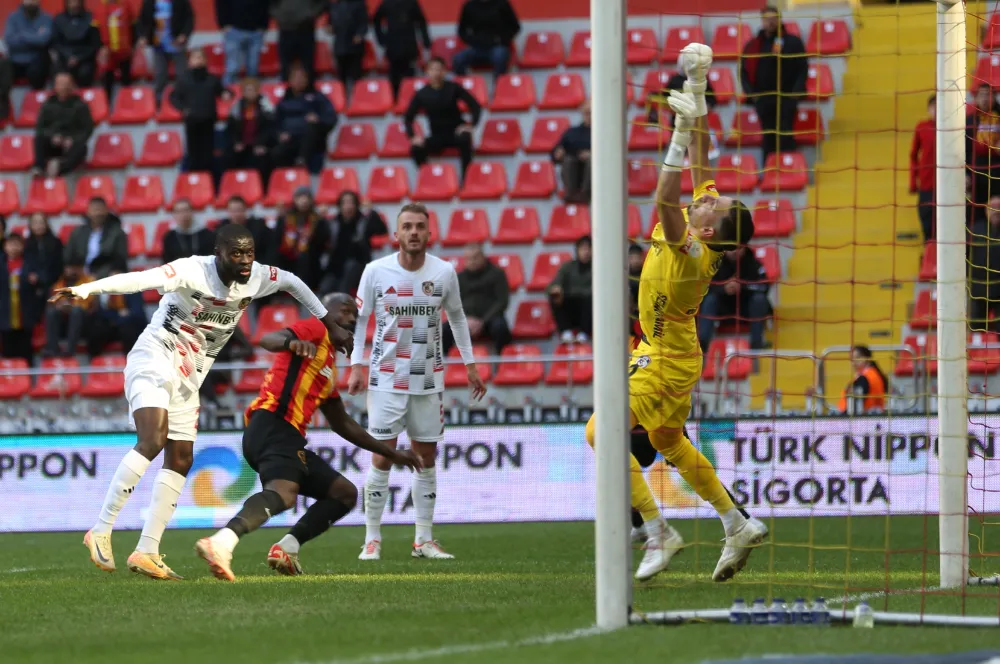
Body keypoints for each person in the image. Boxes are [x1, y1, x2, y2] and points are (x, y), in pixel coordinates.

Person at [61, 224, 353, 580]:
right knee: (152, 440)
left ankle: (147, 551)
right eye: (236, 254)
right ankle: (101, 529)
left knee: (181, 458)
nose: (245, 261)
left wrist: (329, 324)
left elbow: (293, 282)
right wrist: (86, 289)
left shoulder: (258, 276)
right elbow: (140, 279)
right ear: (219, 252)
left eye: (249, 253)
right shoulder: (191, 270)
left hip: (190, 376)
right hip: (156, 356)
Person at [585, 43, 767, 583]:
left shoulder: (690, 247)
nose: (708, 196)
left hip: (665, 356)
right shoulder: (704, 223)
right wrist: (696, 89)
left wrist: (676, 134)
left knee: (601, 433)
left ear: (708, 231)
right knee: (666, 441)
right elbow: (703, 162)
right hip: (672, 351)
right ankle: (736, 522)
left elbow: (665, 195)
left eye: (714, 204)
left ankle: (658, 531)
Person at [195, 294, 423, 581]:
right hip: (274, 424)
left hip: (285, 435)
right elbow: (269, 339)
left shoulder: (327, 367)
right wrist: (291, 342)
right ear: (324, 312)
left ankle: (287, 548)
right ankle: (221, 542)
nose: (352, 319)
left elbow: (342, 423)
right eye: (345, 311)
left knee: (344, 493)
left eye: (356, 315)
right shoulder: (315, 330)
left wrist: (392, 453)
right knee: (283, 494)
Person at [349, 202, 487, 561]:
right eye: (407, 226)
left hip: (428, 382)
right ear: (396, 234)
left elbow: (457, 318)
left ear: (429, 233)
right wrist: (356, 364)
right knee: (382, 456)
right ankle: (372, 539)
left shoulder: (444, 273)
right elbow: (361, 321)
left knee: (426, 457)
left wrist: (470, 364)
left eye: (419, 227)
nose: (413, 232)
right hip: (385, 380)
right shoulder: (376, 271)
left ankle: (423, 540)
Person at [740, 6, 808, 164]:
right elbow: (743, 72)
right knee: (768, 137)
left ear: (779, 19)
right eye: (766, 19)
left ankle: (789, 169)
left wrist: (795, 94)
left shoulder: (793, 42)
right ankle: (769, 172)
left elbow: (802, 68)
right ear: (762, 21)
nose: (770, 23)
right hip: (764, 101)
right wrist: (753, 96)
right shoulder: (753, 45)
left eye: (773, 19)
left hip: (786, 99)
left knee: (786, 135)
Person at [405, 57, 481, 179]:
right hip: (437, 135)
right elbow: (408, 118)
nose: (436, 73)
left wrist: (470, 125)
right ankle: (429, 178)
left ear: (444, 71)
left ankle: (467, 179)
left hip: (456, 132)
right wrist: (413, 136)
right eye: (432, 70)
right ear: (427, 72)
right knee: (416, 149)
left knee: (465, 140)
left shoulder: (453, 88)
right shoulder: (422, 94)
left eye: (439, 69)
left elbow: (475, 106)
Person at [697, 246, 772, 352]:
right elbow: (704, 289)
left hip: (746, 311)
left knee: (759, 300)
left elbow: (764, 286)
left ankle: (757, 345)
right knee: (710, 300)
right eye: (731, 247)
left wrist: (742, 286)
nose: (735, 251)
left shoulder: (754, 263)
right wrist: (724, 288)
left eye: (738, 247)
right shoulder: (714, 264)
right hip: (723, 310)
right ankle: (702, 345)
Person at [443, 242, 511, 356]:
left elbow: (502, 301)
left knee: (501, 328)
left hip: (490, 320)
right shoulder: (459, 278)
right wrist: (465, 319)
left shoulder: (497, 274)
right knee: (443, 330)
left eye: (475, 257)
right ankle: (448, 365)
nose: (472, 261)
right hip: (465, 320)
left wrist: (483, 321)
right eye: (468, 258)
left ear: (483, 257)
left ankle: (503, 363)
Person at [170, 48, 226, 174]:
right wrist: (183, 109)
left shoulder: (212, 79)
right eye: (195, 58)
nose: (198, 60)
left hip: (209, 119)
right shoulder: (183, 79)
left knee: (208, 154)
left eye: (201, 58)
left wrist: (226, 94)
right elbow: (174, 97)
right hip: (192, 120)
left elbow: (221, 92)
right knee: (193, 153)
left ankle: (207, 181)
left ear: (206, 61)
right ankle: (195, 181)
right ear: (189, 61)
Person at [274, 64, 338, 174]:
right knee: (275, 153)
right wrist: (280, 133)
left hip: (312, 143)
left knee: (311, 127)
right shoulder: (284, 101)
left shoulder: (318, 97)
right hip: (290, 140)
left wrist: (318, 119)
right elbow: (275, 122)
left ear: (307, 79)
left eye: (301, 77)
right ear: (289, 80)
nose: (298, 81)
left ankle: (302, 160)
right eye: (295, 77)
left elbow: (331, 118)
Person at [322, 191, 388, 294]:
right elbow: (319, 238)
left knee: (349, 271)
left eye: (351, 202)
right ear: (340, 206)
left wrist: (371, 211)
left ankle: (342, 305)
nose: (348, 206)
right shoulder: (334, 222)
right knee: (325, 288)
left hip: (358, 266)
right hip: (336, 267)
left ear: (356, 205)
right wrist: (321, 218)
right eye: (344, 203)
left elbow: (382, 229)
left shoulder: (364, 221)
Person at [33, 72, 94, 178]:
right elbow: (40, 128)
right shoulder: (48, 104)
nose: (63, 87)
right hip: (53, 143)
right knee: (39, 139)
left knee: (81, 148)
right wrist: (52, 136)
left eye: (66, 84)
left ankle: (60, 169)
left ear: (72, 86)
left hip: (70, 144)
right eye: (60, 84)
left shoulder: (80, 105)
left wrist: (72, 139)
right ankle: (39, 168)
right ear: (55, 86)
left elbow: (87, 129)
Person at [274, 187, 332, 291]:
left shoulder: (317, 219)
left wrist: (323, 221)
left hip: (309, 262)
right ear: (295, 200)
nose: (304, 201)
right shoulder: (286, 218)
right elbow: (276, 241)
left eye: (307, 197)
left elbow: (323, 243)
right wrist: (279, 219)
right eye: (300, 197)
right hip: (288, 259)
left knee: (305, 258)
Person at [0, 233, 46, 363]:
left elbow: (43, 279)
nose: (14, 247)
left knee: (25, 349)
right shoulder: (1, 262)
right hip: (5, 312)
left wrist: (36, 279)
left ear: (22, 246)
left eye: (17, 244)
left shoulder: (31, 262)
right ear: (5, 246)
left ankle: (27, 377)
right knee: (8, 348)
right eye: (10, 244)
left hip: (25, 311)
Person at [138, 0, 194, 106]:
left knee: (182, 74)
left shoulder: (180, 2)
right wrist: (143, 36)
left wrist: (184, 34)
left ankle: (183, 101)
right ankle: (159, 103)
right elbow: (142, 20)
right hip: (158, 45)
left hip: (177, 44)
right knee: (160, 75)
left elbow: (189, 18)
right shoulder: (149, 2)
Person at [372, 0, 431, 99]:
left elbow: (421, 21)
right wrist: (381, 38)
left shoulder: (411, 3)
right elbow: (376, 20)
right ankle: (395, 99)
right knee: (394, 75)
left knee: (409, 75)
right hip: (392, 45)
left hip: (409, 45)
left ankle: (409, 98)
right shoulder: (386, 3)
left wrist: (425, 40)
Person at [225, 77, 276, 184]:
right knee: (229, 157)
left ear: (257, 91)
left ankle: (262, 189)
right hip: (242, 143)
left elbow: (269, 128)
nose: (250, 93)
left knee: (264, 158)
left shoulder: (265, 105)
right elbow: (230, 129)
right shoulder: (237, 106)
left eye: (252, 90)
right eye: (247, 90)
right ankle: (233, 186)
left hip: (260, 143)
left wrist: (261, 144)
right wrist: (236, 142)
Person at [64, 197, 128, 279]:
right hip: (80, 276)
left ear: (106, 211)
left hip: (105, 276)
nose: (97, 213)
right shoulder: (77, 232)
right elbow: (68, 257)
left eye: (100, 209)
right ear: (88, 212)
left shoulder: (117, 233)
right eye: (94, 210)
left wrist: (99, 275)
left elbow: (119, 260)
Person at [452, 0, 519, 78]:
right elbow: (461, 30)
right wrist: (471, 41)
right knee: (458, 59)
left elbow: (515, 27)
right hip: (476, 48)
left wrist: (502, 40)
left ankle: (499, 87)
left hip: (498, 47)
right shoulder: (469, 6)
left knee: (499, 57)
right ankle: (466, 86)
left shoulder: (502, 3)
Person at [87, 270, 147, 357]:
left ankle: (131, 361)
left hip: (128, 326)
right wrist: (119, 314)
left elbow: (137, 313)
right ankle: (93, 361)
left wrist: (117, 317)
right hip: (113, 325)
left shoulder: (134, 290)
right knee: (97, 330)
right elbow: (101, 313)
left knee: (128, 330)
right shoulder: (106, 292)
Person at [44, 262, 96, 357]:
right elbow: (53, 302)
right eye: (68, 268)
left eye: (73, 268)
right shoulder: (59, 284)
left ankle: (70, 349)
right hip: (64, 322)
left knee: (76, 311)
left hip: (84, 323)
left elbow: (88, 305)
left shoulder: (88, 282)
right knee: (51, 312)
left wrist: (71, 307)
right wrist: (59, 306)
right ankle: (52, 348)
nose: (70, 271)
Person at [548, 235, 592, 343]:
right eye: (582, 249)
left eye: (588, 248)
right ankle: (565, 331)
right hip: (570, 307)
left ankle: (584, 333)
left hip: (588, 310)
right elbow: (553, 284)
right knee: (555, 297)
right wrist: (556, 289)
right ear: (577, 250)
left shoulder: (598, 267)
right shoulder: (567, 267)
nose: (585, 252)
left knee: (589, 299)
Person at [215, 0, 269, 86]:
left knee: (253, 68)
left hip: (255, 32)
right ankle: (227, 94)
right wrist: (223, 24)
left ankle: (252, 97)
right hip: (233, 31)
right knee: (232, 68)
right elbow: (220, 3)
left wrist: (264, 26)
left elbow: (266, 4)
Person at [272, 0, 328, 83]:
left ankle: (309, 93)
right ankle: (287, 93)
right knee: (285, 66)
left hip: (306, 30)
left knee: (308, 66)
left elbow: (322, 3)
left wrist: (310, 14)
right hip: (285, 31)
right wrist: (280, 16)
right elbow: (270, 4)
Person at [4, 0, 53, 91]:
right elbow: (9, 40)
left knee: (39, 68)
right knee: (3, 66)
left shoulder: (46, 18)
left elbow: (43, 41)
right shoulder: (13, 17)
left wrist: (21, 35)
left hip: (37, 60)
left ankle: (36, 100)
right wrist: (34, 35)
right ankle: (3, 101)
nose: (31, 3)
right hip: (15, 60)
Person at [92, 0, 136, 101]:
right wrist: (100, 47)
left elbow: (133, 26)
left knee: (126, 80)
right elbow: (95, 31)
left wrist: (133, 45)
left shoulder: (126, 5)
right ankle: (106, 106)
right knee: (108, 80)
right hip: (107, 51)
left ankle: (128, 105)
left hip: (124, 50)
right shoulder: (100, 7)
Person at [51, 0, 101, 88]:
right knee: (56, 71)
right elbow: (56, 43)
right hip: (65, 57)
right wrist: (68, 57)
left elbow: (94, 44)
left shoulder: (91, 18)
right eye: (71, 2)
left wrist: (78, 58)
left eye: (76, 2)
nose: (74, 5)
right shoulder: (59, 19)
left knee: (85, 72)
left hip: (85, 58)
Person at [969, 193, 1000, 332]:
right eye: (993, 208)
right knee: (977, 330)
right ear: (986, 210)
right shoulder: (975, 230)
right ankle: (976, 353)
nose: (996, 211)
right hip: (979, 290)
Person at [967, 84, 1000, 209]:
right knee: (977, 210)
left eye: (988, 95)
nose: (985, 99)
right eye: (982, 95)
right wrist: (966, 174)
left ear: (995, 97)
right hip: (978, 172)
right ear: (976, 98)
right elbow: (965, 150)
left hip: (997, 170)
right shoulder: (970, 120)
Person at [215, 195, 274, 265]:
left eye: (239, 210)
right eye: (233, 211)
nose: (237, 214)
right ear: (228, 212)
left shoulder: (258, 227)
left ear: (245, 210)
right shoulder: (221, 231)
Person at [552, 100, 591, 204]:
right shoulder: (572, 132)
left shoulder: (604, 133)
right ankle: (570, 193)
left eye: (591, 113)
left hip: (593, 174)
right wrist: (558, 153)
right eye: (587, 113)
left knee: (592, 160)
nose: (589, 116)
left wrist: (591, 154)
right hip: (574, 172)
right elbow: (557, 152)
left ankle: (586, 193)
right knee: (569, 160)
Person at [910, 95, 936, 242]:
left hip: (947, 184)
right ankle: (929, 257)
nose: (936, 109)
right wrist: (913, 181)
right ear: (928, 109)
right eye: (933, 106)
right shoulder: (922, 127)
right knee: (927, 221)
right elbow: (913, 155)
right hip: (927, 184)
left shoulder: (953, 126)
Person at [328, 0, 369, 93]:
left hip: (354, 46)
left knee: (356, 77)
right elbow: (331, 22)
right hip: (339, 46)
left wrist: (360, 34)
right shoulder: (334, 5)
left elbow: (364, 23)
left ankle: (358, 98)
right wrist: (330, 28)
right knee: (341, 77)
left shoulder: (359, 4)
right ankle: (342, 98)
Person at [161, 198, 217, 264]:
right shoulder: (169, 237)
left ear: (192, 212)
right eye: (179, 211)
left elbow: (211, 260)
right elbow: (167, 263)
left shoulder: (207, 235)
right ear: (174, 215)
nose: (183, 215)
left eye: (186, 210)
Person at [837, 345, 888, 414]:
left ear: (867, 358)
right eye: (852, 359)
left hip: (865, 417)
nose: (853, 362)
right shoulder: (869, 374)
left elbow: (856, 403)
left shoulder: (866, 378)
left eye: (857, 357)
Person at [25, 213, 64, 292]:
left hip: (52, 283)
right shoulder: (26, 244)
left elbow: (57, 265)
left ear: (46, 224)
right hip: (31, 284)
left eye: (41, 222)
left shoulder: (56, 242)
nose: (38, 225)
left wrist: (40, 276)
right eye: (35, 223)